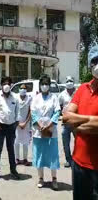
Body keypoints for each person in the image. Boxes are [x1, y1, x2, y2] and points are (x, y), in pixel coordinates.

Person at [63, 45, 98, 200]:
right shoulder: (83, 89)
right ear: (90, 65)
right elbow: (66, 117)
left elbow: (72, 120)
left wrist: (78, 124)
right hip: (79, 164)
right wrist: (91, 121)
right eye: (95, 61)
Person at [31, 74, 60, 190]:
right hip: (38, 132)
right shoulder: (35, 98)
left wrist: (49, 125)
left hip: (51, 131)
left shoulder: (54, 98)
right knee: (39, 156)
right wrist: (40, 126)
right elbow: (33, 113)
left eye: (46, 84)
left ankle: (54, 179)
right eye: (42, 84)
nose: (44, 86)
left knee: (53, 156)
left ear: (49, 85)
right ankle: (41, 178)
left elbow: (57, 112)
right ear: (39, 85)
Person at [0, 76, 20, 181]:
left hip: (11, 127)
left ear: (11, 85)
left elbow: (18, 112)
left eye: (8, 83)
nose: (6, 85)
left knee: (11, 149)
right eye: (4, 83)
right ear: (1, 85)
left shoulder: (15, 97)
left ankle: (13, 170)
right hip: (0, 126)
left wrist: (16, 124)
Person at [58, 76, 76, 168]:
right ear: (65, 82)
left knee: (78, 141)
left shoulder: (77, 93)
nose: (69, 82)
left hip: (76, 122)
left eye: (71, 81)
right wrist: (62, 115)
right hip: (66, 122)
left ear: (73, 82)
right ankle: (68, 160)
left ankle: (76, 159)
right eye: (68, 81)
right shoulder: (62, 94)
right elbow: (59, 106)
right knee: (65, 142)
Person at [14, 84, 32, 166]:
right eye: (21, 88)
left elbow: (30, 111)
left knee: (25, 142)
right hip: (16, 123)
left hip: (26, 124)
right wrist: (18, 123)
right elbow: (13, 111)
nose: (22, 90)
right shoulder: (15, 98)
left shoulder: (29, 98)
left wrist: (25, 122)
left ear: (26, 90)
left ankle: (25, 159)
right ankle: (17, 158)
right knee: (16, 141)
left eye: (24, 88)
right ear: (19, 89)